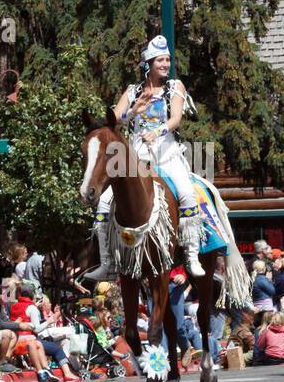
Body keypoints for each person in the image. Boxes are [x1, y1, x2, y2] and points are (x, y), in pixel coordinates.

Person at [85, 33, 207, 280]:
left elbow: (175, 119)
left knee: (187, 194)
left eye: (167, 60)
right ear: (148, 63)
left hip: (167, 152)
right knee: (104, 201)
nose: (165, 65)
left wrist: (158, 130)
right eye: (160, 60)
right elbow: (114, 120)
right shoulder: (132, 91)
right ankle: (107, 264)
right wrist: (133, 110)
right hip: (136, 155)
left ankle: (192, 257)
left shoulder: (175, 86)